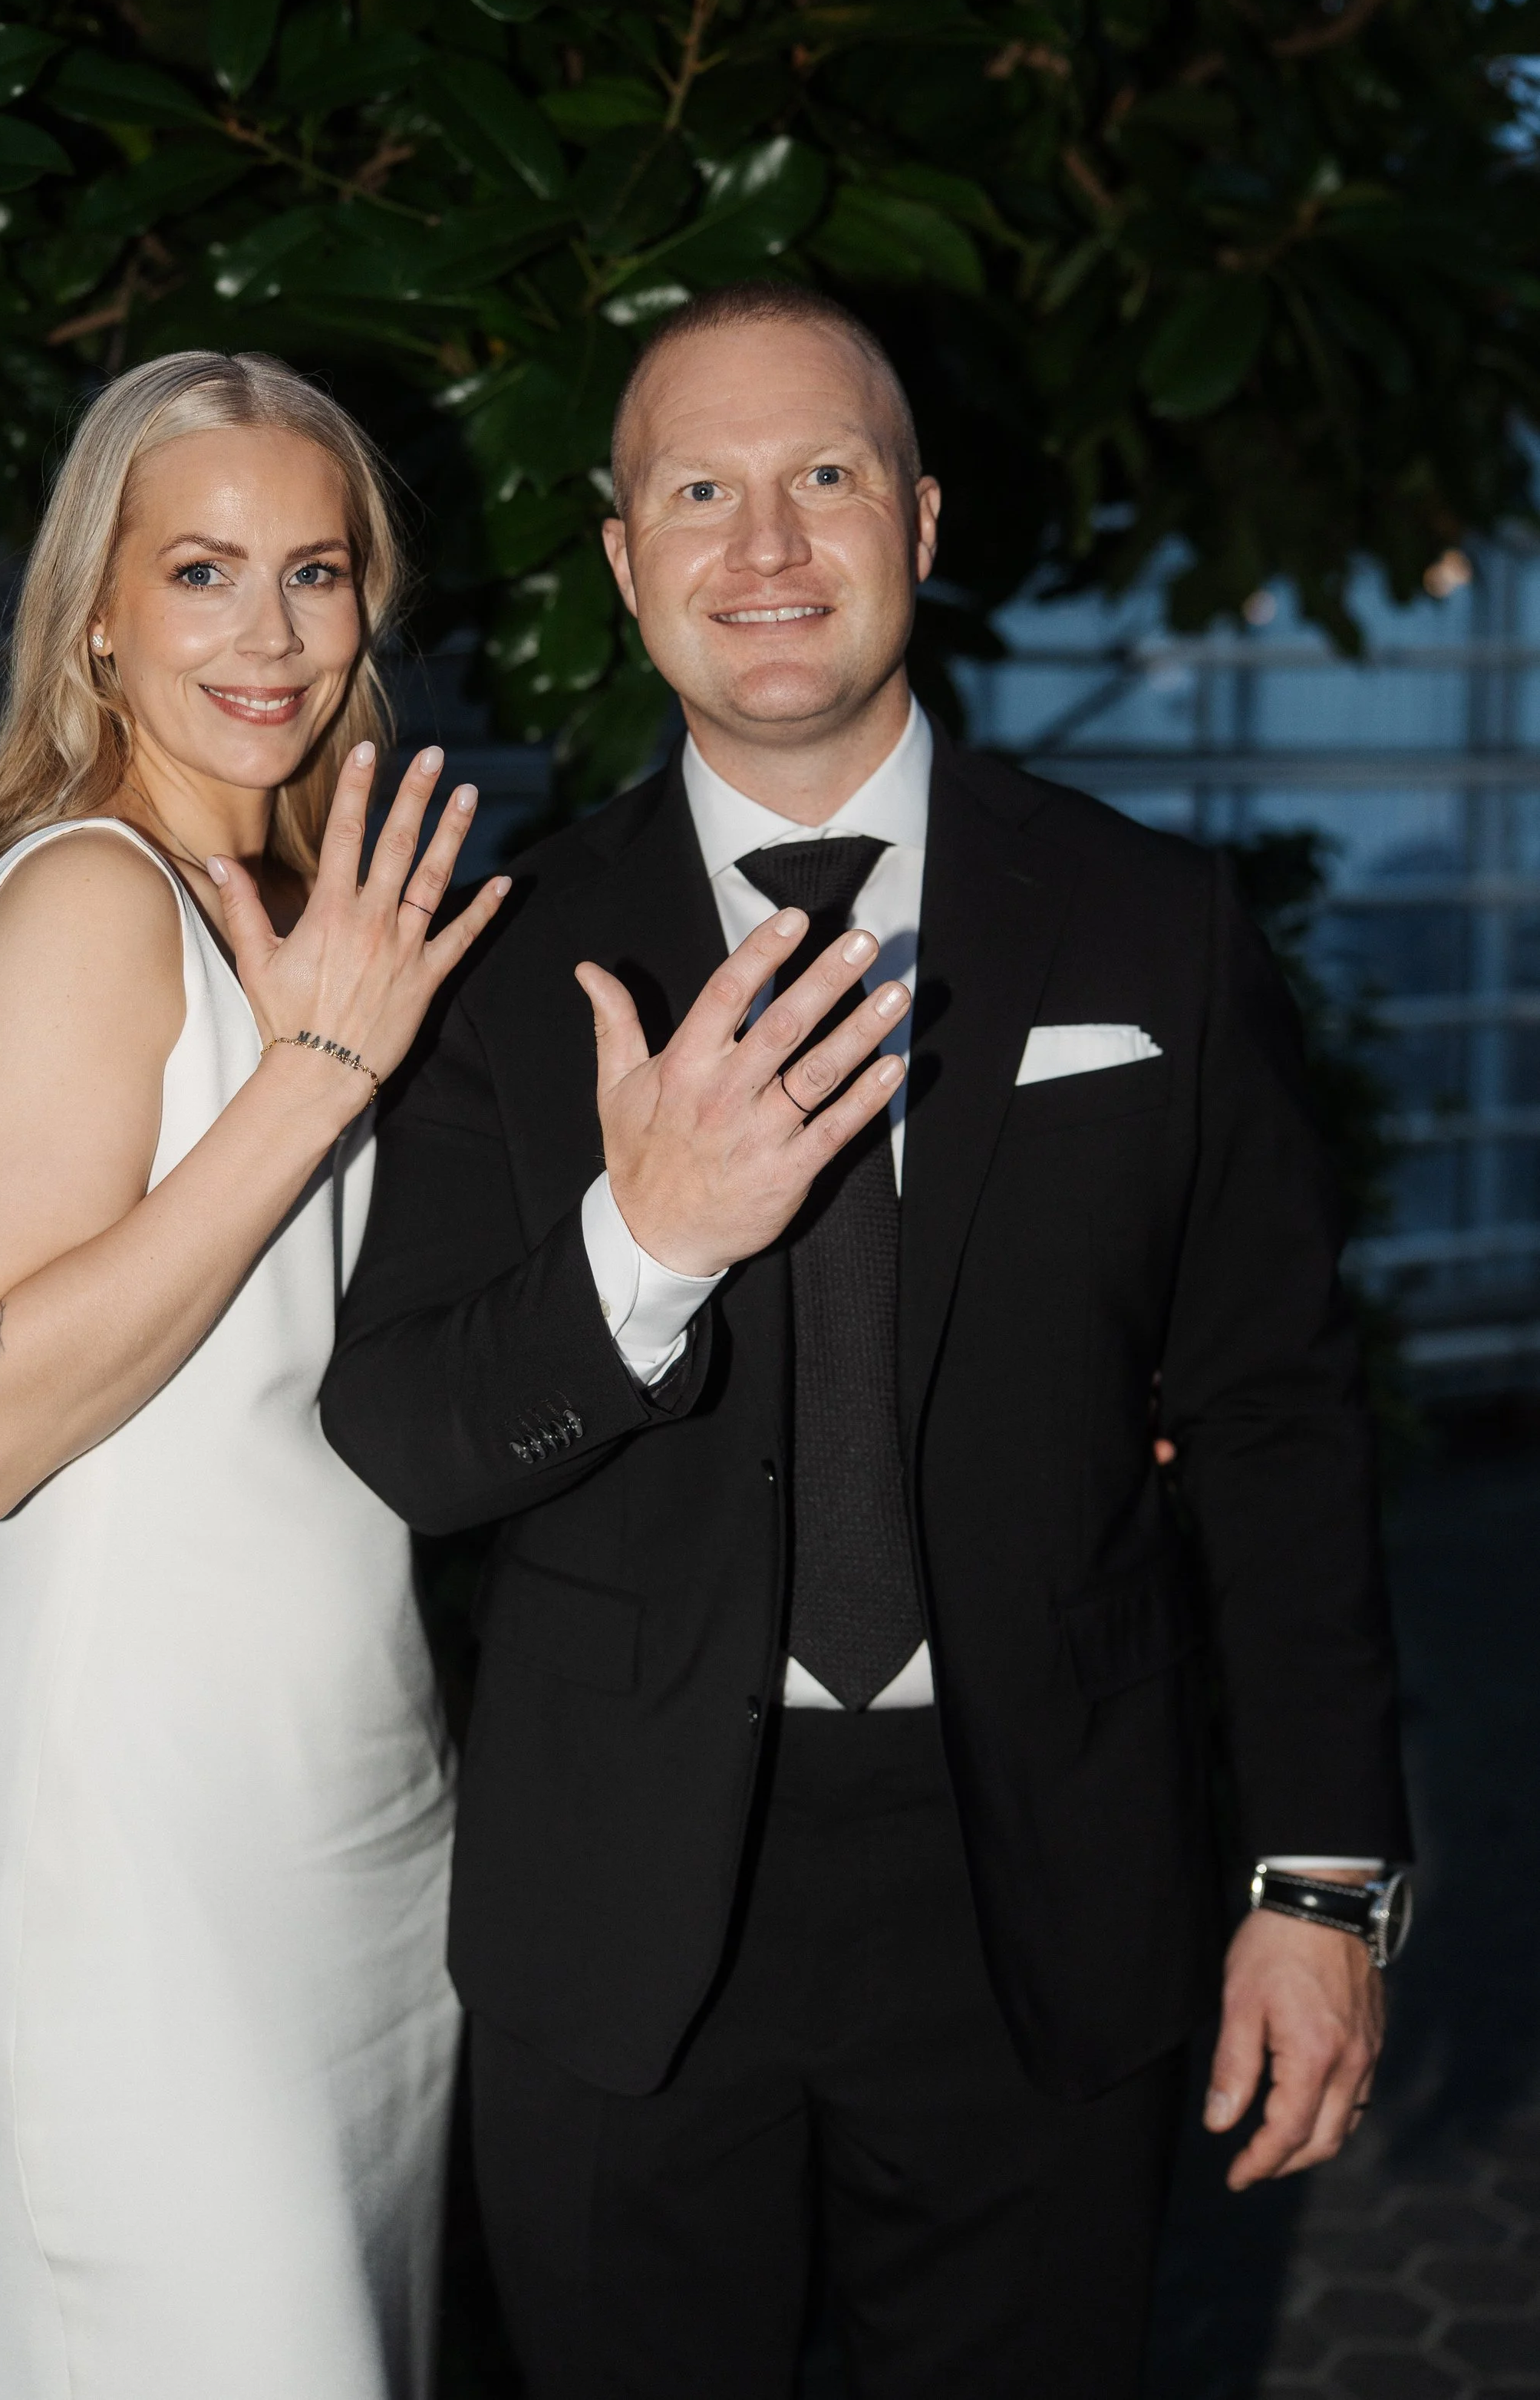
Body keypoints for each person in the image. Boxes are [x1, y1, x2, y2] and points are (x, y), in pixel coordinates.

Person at [322, 280, 1413, 2398]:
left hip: (1044, 1881)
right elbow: (408, 1434)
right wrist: (643, 1239)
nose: (765, 546)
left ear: (919, 517)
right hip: (621, 1916)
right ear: (624, 562)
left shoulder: (1148, 925)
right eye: (699, 492)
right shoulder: (494, 961)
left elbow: (1277, 1423)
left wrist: (1319, 1878)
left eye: (822, 475)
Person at [0, 349, 509, 2400]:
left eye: (314, 572)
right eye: (202, 571)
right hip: (133, 1861)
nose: (268, 634)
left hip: (342, 1838)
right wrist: (317, 1076)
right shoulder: (86, 893)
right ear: (97, 616)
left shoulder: (304, 918)